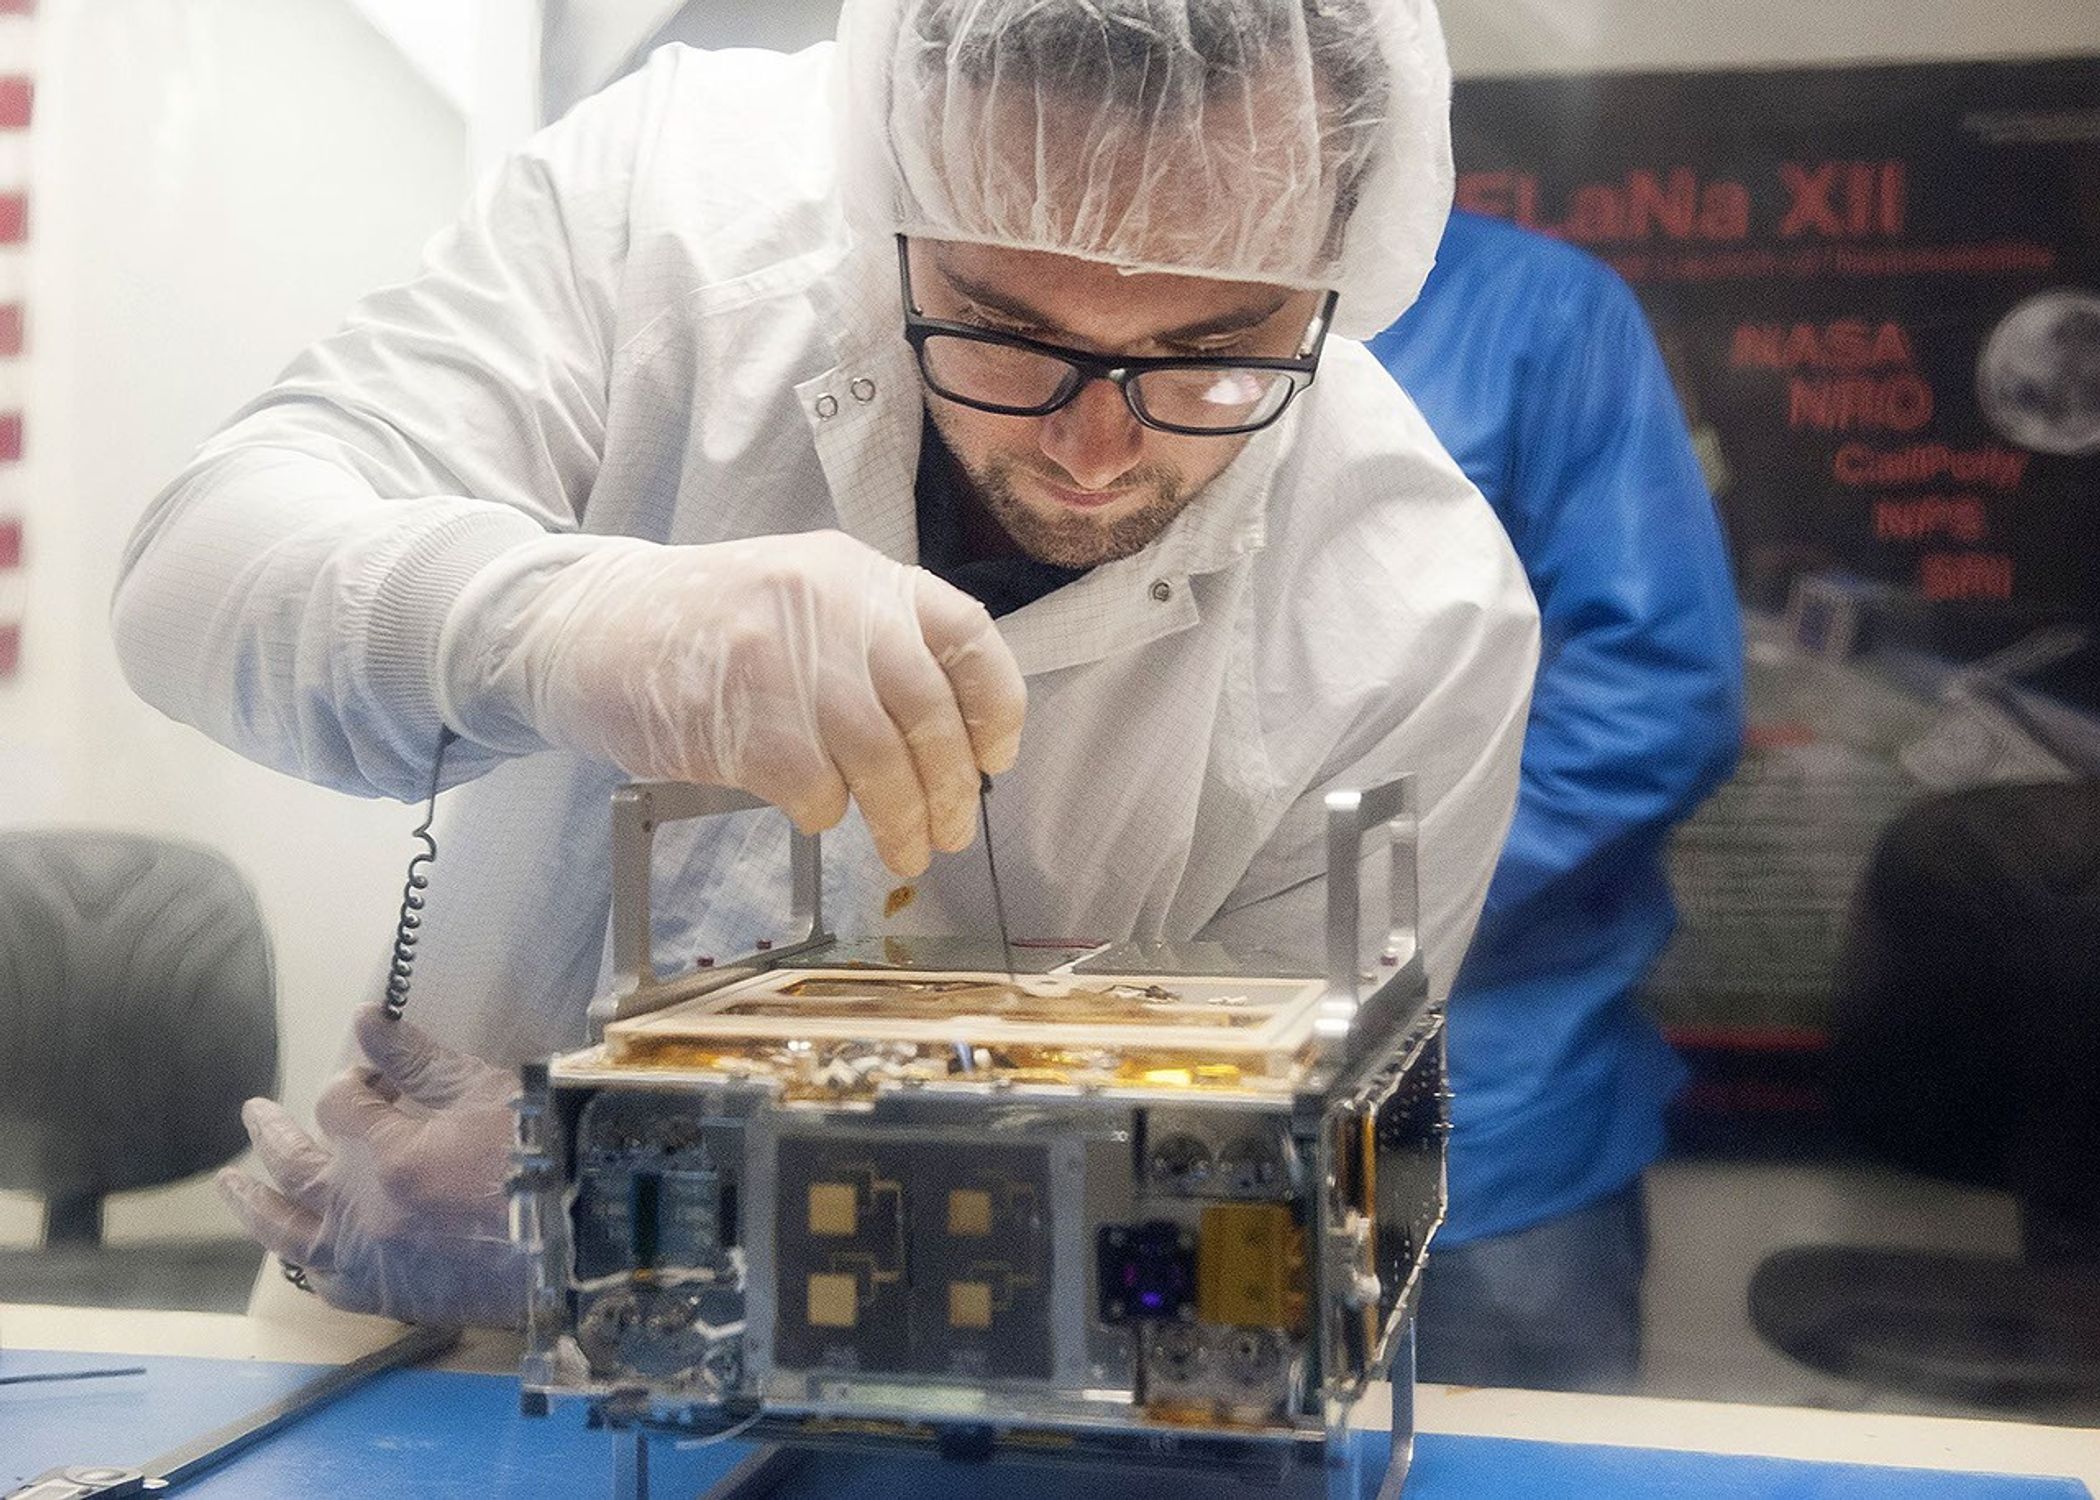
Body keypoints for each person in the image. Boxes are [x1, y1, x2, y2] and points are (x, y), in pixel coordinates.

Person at [112, 0, 1539, 1328]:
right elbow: (195, 576)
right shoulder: (670, 216)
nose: (1093, 452)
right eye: (1006, 331)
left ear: (1344, 256)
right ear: (891, 194)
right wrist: (560, 624)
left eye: (1210, 358)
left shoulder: (1406, 619)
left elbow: (1255, 1221)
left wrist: (639, 1217)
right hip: (442, 1358)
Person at [1366, 209, 1745, 1390]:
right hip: (1143, 1108)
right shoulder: (1094, 319)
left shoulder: (1540, 312)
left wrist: (1358, 918)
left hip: (1490, 1119)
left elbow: (1654, 698)